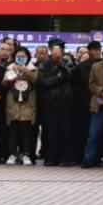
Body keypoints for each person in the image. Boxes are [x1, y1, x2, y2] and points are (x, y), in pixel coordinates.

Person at [38, 38, 76, 166]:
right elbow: (44, 82)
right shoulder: (44, 65)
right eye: (54, 49)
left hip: (65, 102)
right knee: (50, 130)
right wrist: (58, 77)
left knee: (65, 131)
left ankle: (65, 158)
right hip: (50, 102)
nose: (56, 52)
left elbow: (69, 75)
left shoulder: (68, 63)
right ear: (50, 50)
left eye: (59, 49)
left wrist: (60, 64)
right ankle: (51, 157)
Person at [4, 48, 38, 165]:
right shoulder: (9, 68)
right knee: (12, 130)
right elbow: (4, 83)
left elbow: (37, 80)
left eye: (23, 56)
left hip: (28, 104)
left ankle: (26, 154)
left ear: (28, 57)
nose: (20, 59)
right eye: (18, 56)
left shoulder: (33, 69)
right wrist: (12, 75)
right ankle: (12, 154)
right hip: (12, 104)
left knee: (26, 131)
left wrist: (26, 71)